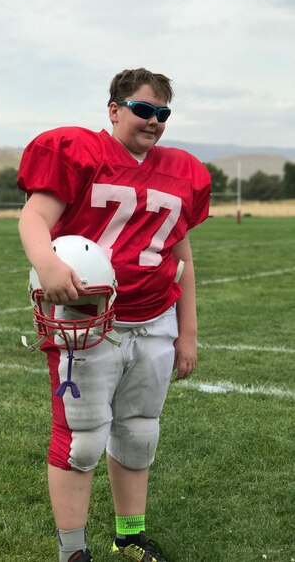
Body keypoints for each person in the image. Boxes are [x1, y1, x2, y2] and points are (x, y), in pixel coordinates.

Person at [17, 68, 211, 562]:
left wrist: (187, 333)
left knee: (140, 431)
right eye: (143, 109)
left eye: (163, 113)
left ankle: (128, 537)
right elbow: (35, 217)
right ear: (114, 109)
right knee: (81, 441)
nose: (154, 121)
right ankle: (73, 551)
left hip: (155, 320)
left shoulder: (181, 170)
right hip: (90, 322)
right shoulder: (80, 152)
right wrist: (48, 262)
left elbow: (182, 259)